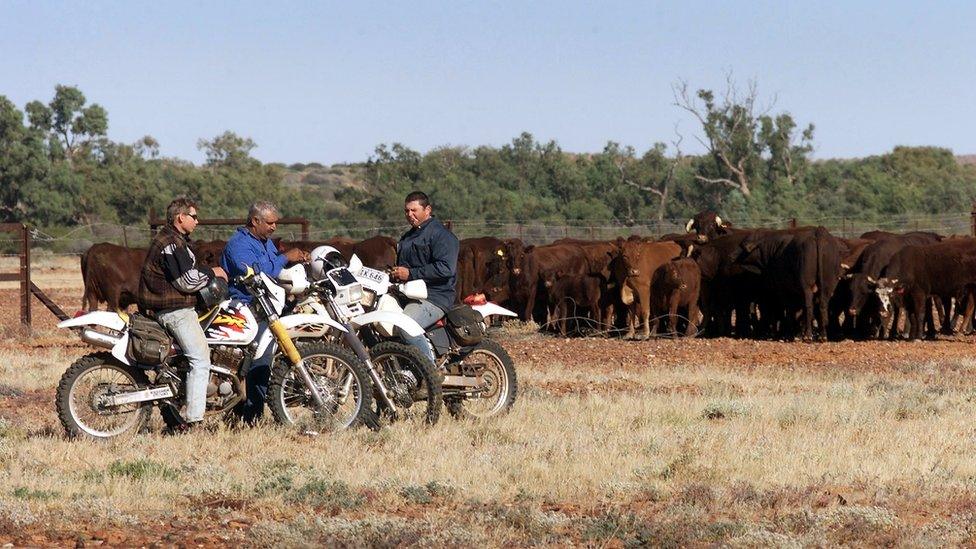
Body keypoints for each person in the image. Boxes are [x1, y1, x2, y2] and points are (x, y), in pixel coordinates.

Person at [138, 197, 227, 430]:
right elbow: (187, 281)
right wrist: (213, 272)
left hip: (174, 307)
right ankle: (195, 419)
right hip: (174, 310)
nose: (197, 221)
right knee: (200, 358)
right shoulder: (171, 243)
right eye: (194, 216)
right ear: (181, 217)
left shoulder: (175, 240)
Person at [221, 201, 308, 423]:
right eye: (269, 222)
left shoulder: (265, 242)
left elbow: (275, 270)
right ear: (255, 221)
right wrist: (286, 257)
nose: (274, 227)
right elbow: (257, 273)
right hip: (247, 308)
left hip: (267, 306)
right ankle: (253, 415)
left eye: (276, 223)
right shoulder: (238, 245)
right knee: (260, 359)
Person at [392, 191, 459, 363]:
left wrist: (410, 274)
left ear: (427, 210)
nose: (409, 215)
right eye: (406, 211)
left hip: (434, 296)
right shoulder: (408, 237)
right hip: (409, 294)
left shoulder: (441, 235)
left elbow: (446, 268)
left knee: (405, 327)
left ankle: (429, 373)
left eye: (414, 210)